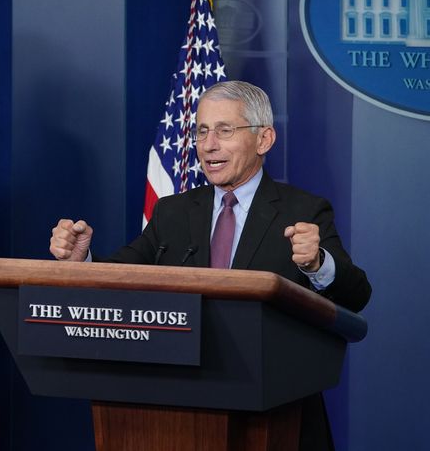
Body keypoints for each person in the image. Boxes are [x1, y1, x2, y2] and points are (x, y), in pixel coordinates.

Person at [49, 80, 371, 450]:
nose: (209, 145)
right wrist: (81, 262)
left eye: (224, 130)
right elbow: (122, 276)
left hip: (275, 412)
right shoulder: (173, 212)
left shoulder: (303, 211)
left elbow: (357, 294)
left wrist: (318, 263)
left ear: (263, 140)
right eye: (202, 131)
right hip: (176, 412)